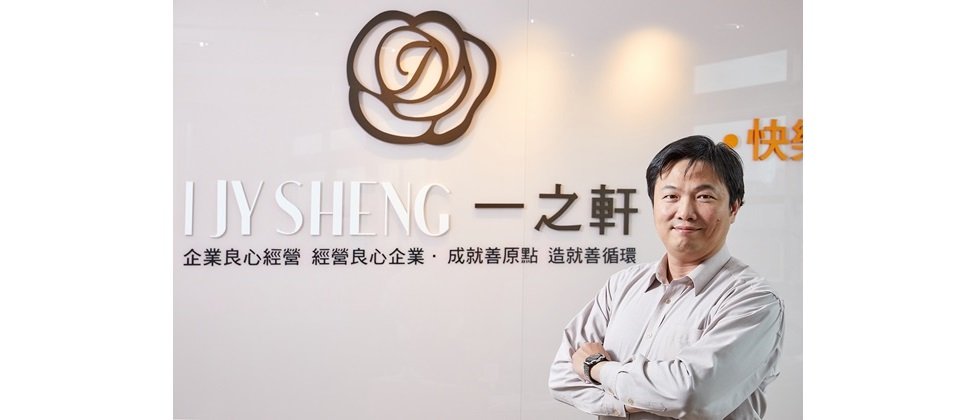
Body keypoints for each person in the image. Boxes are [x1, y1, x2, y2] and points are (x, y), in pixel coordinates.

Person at [548, 136, 785, 419]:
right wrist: (638, 399)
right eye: (671, 196)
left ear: (733, 208)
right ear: (654, 205)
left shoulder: (754, 300)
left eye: (704, 197)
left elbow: (690, 394)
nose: (685, 212)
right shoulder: (622, 285)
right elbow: (561, 375)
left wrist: (596, 368)